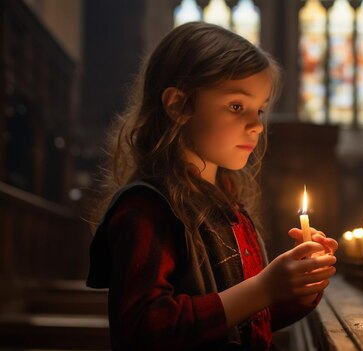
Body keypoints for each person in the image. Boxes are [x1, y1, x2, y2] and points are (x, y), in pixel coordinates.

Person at [86, 22, 339, 351]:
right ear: (179, 106)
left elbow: (246, 319)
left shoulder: (229, 206)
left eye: (260, 110)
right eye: (237, 106)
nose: (256, 125)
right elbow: (143, 331)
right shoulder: (145, 209)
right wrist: (263, 288)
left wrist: (297, 287)